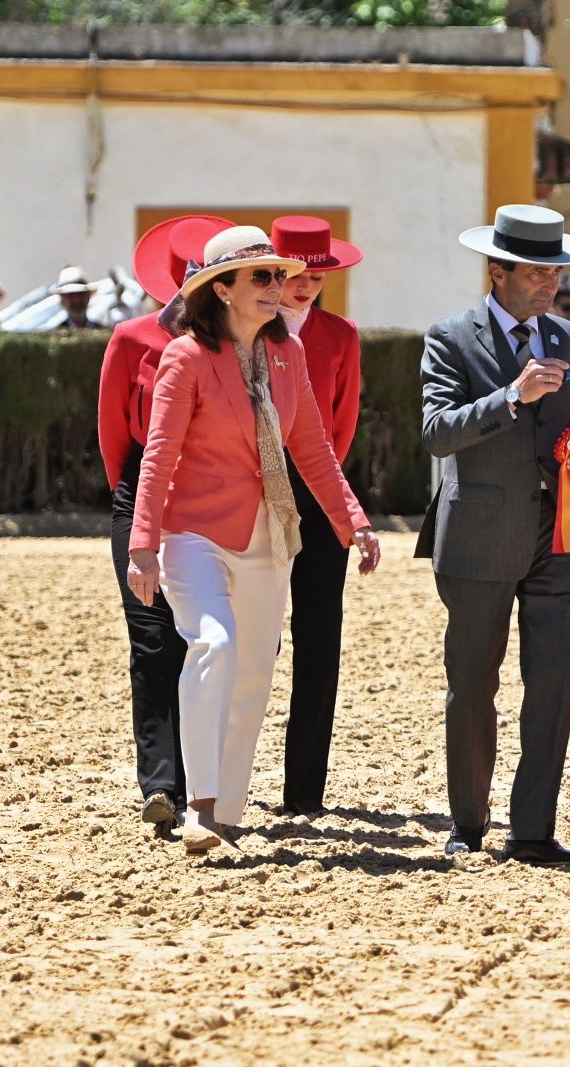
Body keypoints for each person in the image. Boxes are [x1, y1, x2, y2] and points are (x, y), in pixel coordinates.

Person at [126, 225, 381, 855]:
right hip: (193, 534)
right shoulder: (184, 357)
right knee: (214, 644)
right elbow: (158, 454)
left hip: (269, 535)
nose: (281, 287)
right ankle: (199, 806)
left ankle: (228, 811)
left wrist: (354, 521)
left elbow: (313, 449)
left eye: (281, 275)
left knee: (252, 677)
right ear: (221, 289)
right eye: (262, 277)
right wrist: (142, 542)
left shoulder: (286, 355)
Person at [416, 204, 570, 864]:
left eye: (558, 270)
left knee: (551, 684)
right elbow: (438, 432)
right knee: (472, 685)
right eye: (539, 270)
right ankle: (468, 823)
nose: (553, 281)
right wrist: (512, 397)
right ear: (497, 271)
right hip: (476, 537)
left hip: (557, 537)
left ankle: (533, 829)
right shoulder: (449, 338)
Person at [98, 213, 232, 830]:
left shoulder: (239, 343)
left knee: (207, 642)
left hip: (215, 499)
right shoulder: (129, 338)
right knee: (152, 639)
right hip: (144, 496)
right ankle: (161, 785)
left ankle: (205, 780)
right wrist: (135, 508)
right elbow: (112, 436)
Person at [269, 215, 364, 819]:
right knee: (251, 642)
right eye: (296, 274)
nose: (306, 285)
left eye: (318, 274)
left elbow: (343, 423)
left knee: (318, 641)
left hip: (319, 496)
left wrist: (326, 495)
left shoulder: (342, 336)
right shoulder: (248, 329)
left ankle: (305, 792)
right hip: (250, 494)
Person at [52, 266, 98, 330]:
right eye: (71, 295)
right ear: (62, 301)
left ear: (88, 296)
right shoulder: (55, 336)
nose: (76, 300)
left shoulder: (104, 332)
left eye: (81, 294)